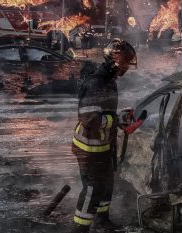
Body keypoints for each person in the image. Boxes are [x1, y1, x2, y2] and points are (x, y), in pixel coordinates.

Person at [72, 39, 138, 231]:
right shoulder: (96, 83)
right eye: (125, 63)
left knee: (106, 185)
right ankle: (79, 229)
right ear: (115, 61)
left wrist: (119, 117)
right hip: (88, 148)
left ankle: (102, 221)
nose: (126, 68)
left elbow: (105, 112)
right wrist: (116, 120)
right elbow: (90, 120)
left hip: (102, 146)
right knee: (92, 190)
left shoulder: (109, 81)